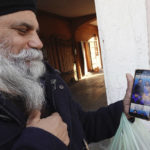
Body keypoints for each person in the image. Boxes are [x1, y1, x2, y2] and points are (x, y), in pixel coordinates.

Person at [0, 0, 133, 150]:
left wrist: (123, 109)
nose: (39, 43)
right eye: (23, 30)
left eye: (36, 32)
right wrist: (41, 142)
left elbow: (83, 126)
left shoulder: (48, 80)